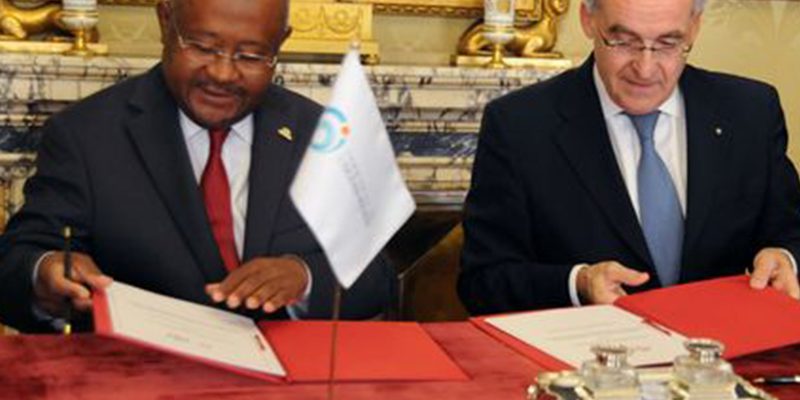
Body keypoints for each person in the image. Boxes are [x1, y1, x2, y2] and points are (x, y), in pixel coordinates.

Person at [0, 0, 395, 332]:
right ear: (165, 21)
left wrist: (303, 277)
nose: (223, 73)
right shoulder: (86, 134)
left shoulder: (320, 134)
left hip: (287, 379)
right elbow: (18, 263)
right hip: (142, 378)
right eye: (203, 47)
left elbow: (377, 279)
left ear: (280, 43)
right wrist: (46, 272)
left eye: (251, 55)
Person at [459, 0, 800, 314]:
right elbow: (483, 281)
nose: (645, 68)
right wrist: (578, 283)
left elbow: (789, 234)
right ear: (588, 20)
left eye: (667, 43)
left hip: (724, 353)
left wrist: (785, 258)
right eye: (623, 41)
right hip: (587, 355)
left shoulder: (751, 112)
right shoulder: (519, 126)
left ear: (694, 27)